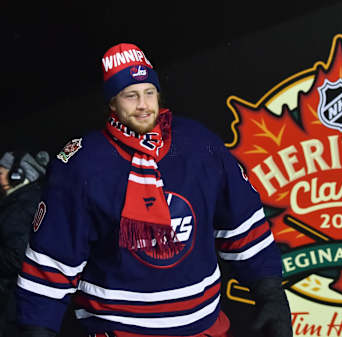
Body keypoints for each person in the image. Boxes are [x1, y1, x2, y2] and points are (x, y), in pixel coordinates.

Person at [15, 43, 292, 337]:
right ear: (112, 103)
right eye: (130, 96)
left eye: (149, 92)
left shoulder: (199, 146)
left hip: (204, 330)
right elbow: (50, 264)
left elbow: (241, 223)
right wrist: (37, 329)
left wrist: (270, 294)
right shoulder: (82, 166)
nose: (144, 105)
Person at [0, 151, 50, 337]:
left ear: (17, 175)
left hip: (18, 305)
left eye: (1, 172)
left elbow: (16, 257)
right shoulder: (32, 200)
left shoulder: (19, 208)